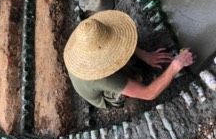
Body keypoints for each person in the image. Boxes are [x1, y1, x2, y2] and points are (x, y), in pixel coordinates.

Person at [63, 10, 194, 110]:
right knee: (137, 77)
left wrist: (145, 55)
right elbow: (148, 93)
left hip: (93, 74)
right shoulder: (104, 78)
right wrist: (176, 66)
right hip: (104, 96)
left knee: (124, 47)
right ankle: (132, 79)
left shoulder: (88, 35)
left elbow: (120, 39)